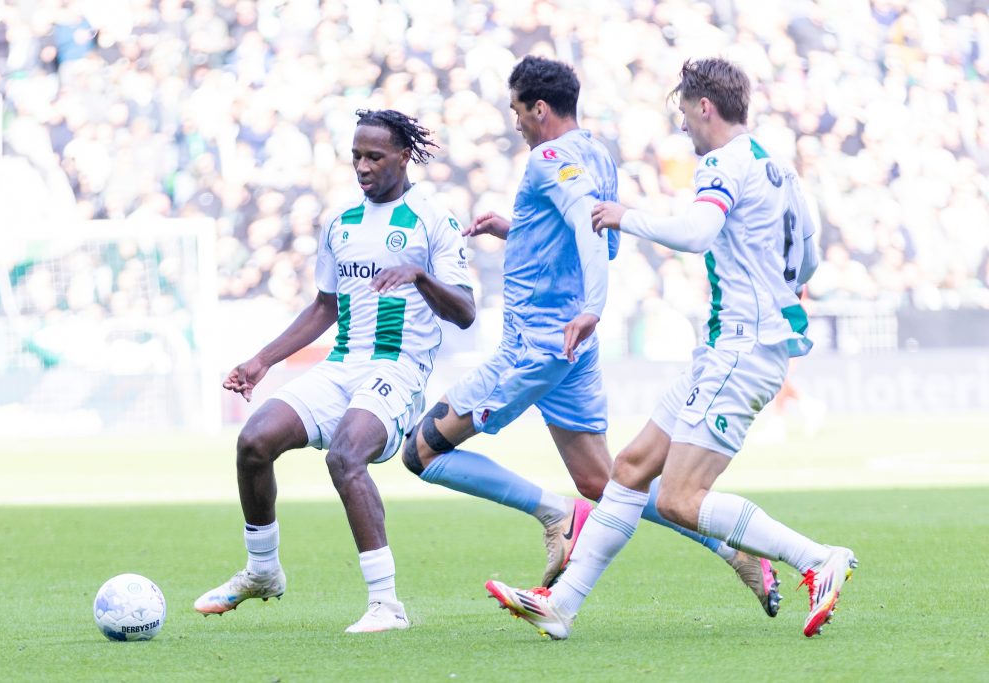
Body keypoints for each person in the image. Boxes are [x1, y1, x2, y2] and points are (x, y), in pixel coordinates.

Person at [486, 57, 855, 640]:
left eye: (683, 112)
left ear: (704, 106)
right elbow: (807, 258)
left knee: (683, 498)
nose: (682, 124)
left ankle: (817, 559)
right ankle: (561, 606)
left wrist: (625, 217)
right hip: (730, 347)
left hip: (741, 348)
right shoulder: (777, 166)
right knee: (630, 469)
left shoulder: (721, 164)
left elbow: (698, 233)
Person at [403, 55, 780, 615]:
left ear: (539, 108)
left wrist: (593, 308)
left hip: (533, 347)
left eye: (517, 110)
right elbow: (602, 236)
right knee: (605, 482)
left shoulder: (547, 158)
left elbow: (587, 226)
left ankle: (553, 513)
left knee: (420, 453)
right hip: (570, 349)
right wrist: (519, 231)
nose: (515, 122)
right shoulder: (598, 155)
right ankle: (734, 548)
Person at [194, 109, 476, 633]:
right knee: (254, 441)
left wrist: (420, 276)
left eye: (374, 157)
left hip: (399, 368)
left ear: (404, 156)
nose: (362, 167)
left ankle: (386, 606)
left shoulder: (433, 218)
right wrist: (261, 361)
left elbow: (464, 311)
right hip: (341, 364)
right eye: (356, 157)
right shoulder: (340, 221)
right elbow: (324, 307)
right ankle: (262, 571)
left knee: (346, 456)